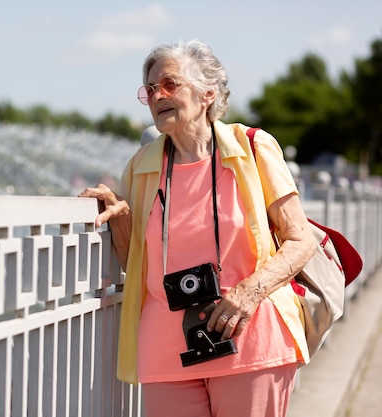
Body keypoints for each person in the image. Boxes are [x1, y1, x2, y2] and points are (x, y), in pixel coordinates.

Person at [79, 39, 317, 417]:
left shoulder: (252, 147)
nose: (158, 95)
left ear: (207, 93)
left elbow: (300, 240)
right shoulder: (141, 166)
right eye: (151, 89)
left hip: (250, 336)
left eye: (170, 84)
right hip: (165, 349)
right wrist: (122, 220)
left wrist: (247, 293)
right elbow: (137, 266)